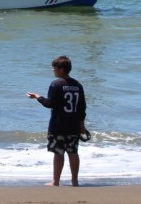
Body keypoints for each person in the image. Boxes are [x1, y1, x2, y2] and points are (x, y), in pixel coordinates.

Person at [26, 55, 87, 186]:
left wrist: (37, 97)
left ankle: (56, 181)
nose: (53, 71)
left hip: (58, 125)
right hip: (74, 125)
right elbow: (82, 108)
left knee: (58, 153)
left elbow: (50, 104)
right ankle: (75, 181)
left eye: (54, 68)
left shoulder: (56, 84)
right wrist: (82, 126)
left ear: (61, 69)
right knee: (73, 152)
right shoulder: (78, 85)